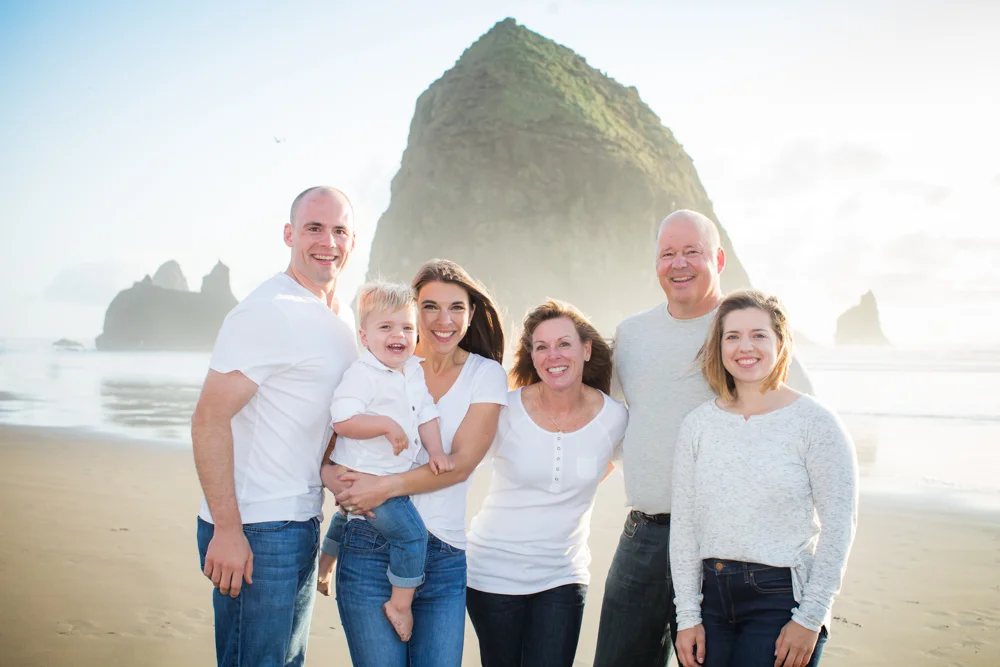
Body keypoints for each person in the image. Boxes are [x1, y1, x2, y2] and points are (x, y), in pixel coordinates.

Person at [594, 210, 813, 667]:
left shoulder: (744, 334)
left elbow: (801, 425)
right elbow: (605, 415)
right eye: (667, 253)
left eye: (692, 251)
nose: (679, 264)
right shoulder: (632, 334)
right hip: (645, 535)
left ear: (718, 259)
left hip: (726, 545)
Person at [192, 186, 358, 667]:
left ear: (353, 241)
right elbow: (208, 418)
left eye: (339, 230)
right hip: (256, 527)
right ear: (289, 234)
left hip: (302, 519)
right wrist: (228, 530)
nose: (328, 241)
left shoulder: (342, 316)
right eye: (314, 228)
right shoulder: (268, 309)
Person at [327, 259, 509, 667]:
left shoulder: (486, 375)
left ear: (471, 314)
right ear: (412, 310)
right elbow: (331, 448)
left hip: (444, 553)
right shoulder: (377, 365)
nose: (444, 320)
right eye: (430, 307)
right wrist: (340, 483)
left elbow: (459, 465)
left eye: (456, 307)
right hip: (369, 543)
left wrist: (381, 487)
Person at [670, 289, 858, 667]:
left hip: (781, 600)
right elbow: (685, 526)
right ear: (719, 346)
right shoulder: (698, 425)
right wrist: (687, 615)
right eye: (733, 336)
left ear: (780, 342)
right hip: (710, 601)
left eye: (759, 335)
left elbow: (840, 525)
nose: (746, 347)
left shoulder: (815, 423)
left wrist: (810, 616)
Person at [465, 299, 627, 667]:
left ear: (586, 349)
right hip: (491, 573)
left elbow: (611, 465)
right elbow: (460, 464)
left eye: (564, 343)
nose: (553, 355)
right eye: (542, 347)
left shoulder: (614, 417)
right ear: (533, 357)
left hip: (563, 575)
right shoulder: (504, 409)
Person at [317, 281, 454, 642]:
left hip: (382, 473)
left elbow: (426, 413)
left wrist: (436, 452)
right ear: (364, 337)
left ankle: (325, 563)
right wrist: (385, 424)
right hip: (366, 475)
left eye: (407, 327)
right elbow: (342, 420)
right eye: (386, 327)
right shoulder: (363, 374)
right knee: (412, 536)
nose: (398, 335)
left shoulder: (413, 371)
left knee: (346, 516)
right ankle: (400, 604)